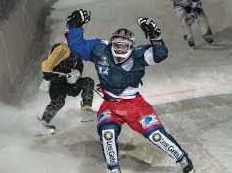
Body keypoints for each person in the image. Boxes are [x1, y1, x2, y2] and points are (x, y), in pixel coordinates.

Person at [64, 9, 195, 173]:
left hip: (135, 106)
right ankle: (113, 169)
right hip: (110, 106)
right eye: (117, 46)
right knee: (107, 135)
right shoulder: (100, 50)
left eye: (124, 47)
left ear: (132, 47)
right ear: (111, 44)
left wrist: (156, 38)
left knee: (157, 136)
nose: (119, 50)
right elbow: (77, 47)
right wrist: (74, 25)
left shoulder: (139, 55)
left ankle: (182, 157)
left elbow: (160, 54)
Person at [37, 42, 96, 135]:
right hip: (56, 81)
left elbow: (79, 65)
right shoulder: (63, 49)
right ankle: (43, 123)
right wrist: (46, 80)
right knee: (59, 101)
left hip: (67, 82)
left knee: (88, 81)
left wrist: (75, 74)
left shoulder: (77, 51)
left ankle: (86, 109)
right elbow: (47, 65)